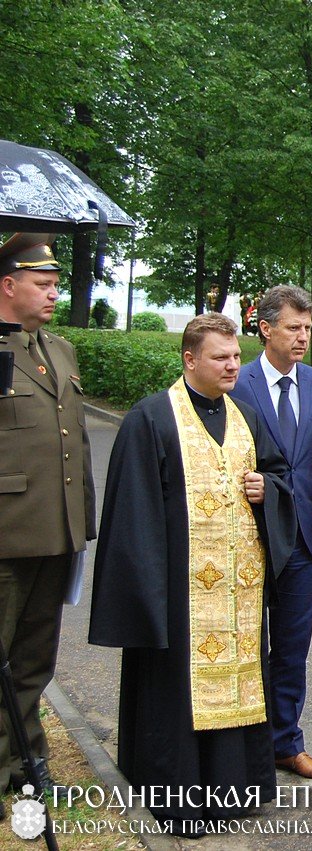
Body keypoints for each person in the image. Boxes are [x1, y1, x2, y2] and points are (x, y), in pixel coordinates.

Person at [88, 314, 295, 833]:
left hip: (239, 591)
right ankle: (177, 798)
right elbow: (131, 513)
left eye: (234, 356)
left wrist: (265, 491)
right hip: (178, 592)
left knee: (244, 682)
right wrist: (147, 594)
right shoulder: (152, 418)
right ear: (189, 360)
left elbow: (277, 475)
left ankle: (234, 793)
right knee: (177, 691)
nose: (232, 366)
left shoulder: (246, 414)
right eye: (220, 357)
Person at [0, 234, 95, 799]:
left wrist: (80, 522)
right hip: (6, 534)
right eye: (43, 284)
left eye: (57, 284)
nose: (54, 293)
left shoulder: (59, 350)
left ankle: (26, 766)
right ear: (8, 285)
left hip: (55, 532)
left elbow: (74, 441)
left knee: (34, 661)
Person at [228, 285, 312, 780]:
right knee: (244, 642)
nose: (302, 337)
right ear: (264, 327)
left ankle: (287, 743)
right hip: (248, 532)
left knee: (292, 647)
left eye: (308, 328)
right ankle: (241, 745)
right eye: (293, 327)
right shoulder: (235, 380)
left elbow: (309, 463)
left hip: (306, 535)